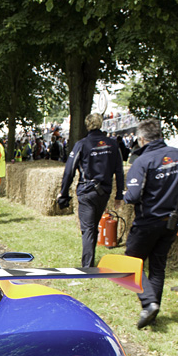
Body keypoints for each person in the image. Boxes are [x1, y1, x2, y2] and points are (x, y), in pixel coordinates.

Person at [123, 118, 178, 329]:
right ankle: (153, 312)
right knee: (157, 266)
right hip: (172, 220)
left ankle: (149, 303)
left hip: (148, 219)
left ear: (142, 139)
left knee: (131, 262)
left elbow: (132, 195)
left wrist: (124, 196)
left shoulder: (142, 161)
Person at [57, 112, 125, 267]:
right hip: (104, 192)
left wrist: (63, 192)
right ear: (100, 124)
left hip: (87, 191)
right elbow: (119, 171)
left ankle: (87, 266)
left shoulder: (82, 144)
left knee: (88, 229)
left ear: (87, 125)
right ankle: (90, 260)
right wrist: (119, 195)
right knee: (93, 226)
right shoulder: (112, 144)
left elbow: (69, 169)